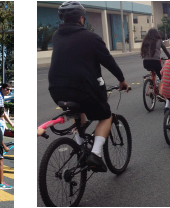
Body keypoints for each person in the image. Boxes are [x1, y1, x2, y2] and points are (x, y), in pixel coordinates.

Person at [48, 1, 130, 173]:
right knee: (106, 115)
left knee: (78, 113)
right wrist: (121, 80)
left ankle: (79, 148)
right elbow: (109, 62)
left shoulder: (57, 36)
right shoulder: (91, 38)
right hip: (83, 89)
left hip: (56, 90)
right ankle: (95, 153)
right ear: (81, 18)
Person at [141, 28, 170, 101]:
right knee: (162, 77)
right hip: (155, 62)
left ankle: (152, 84)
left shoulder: (145, 41)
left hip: (145, 62)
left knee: (152, 70)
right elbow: (165, 51)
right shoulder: (159, 41)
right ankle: (161, 94)